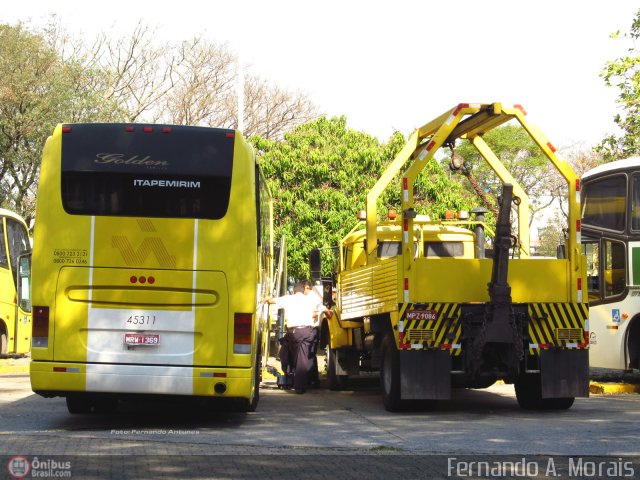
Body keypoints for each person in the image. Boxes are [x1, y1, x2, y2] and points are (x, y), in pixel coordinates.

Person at [266, 281, 332, 394]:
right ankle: (300, 386)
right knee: (302, 358)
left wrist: (266, 298)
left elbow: (271, 301)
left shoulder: (288, 298)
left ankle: (289, 373)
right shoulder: (311, 300)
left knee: (286, 352)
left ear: (293, 291)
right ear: (303, 291)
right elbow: (326, 310)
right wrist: (325, 314)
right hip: (307, 332)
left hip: (293, 333)